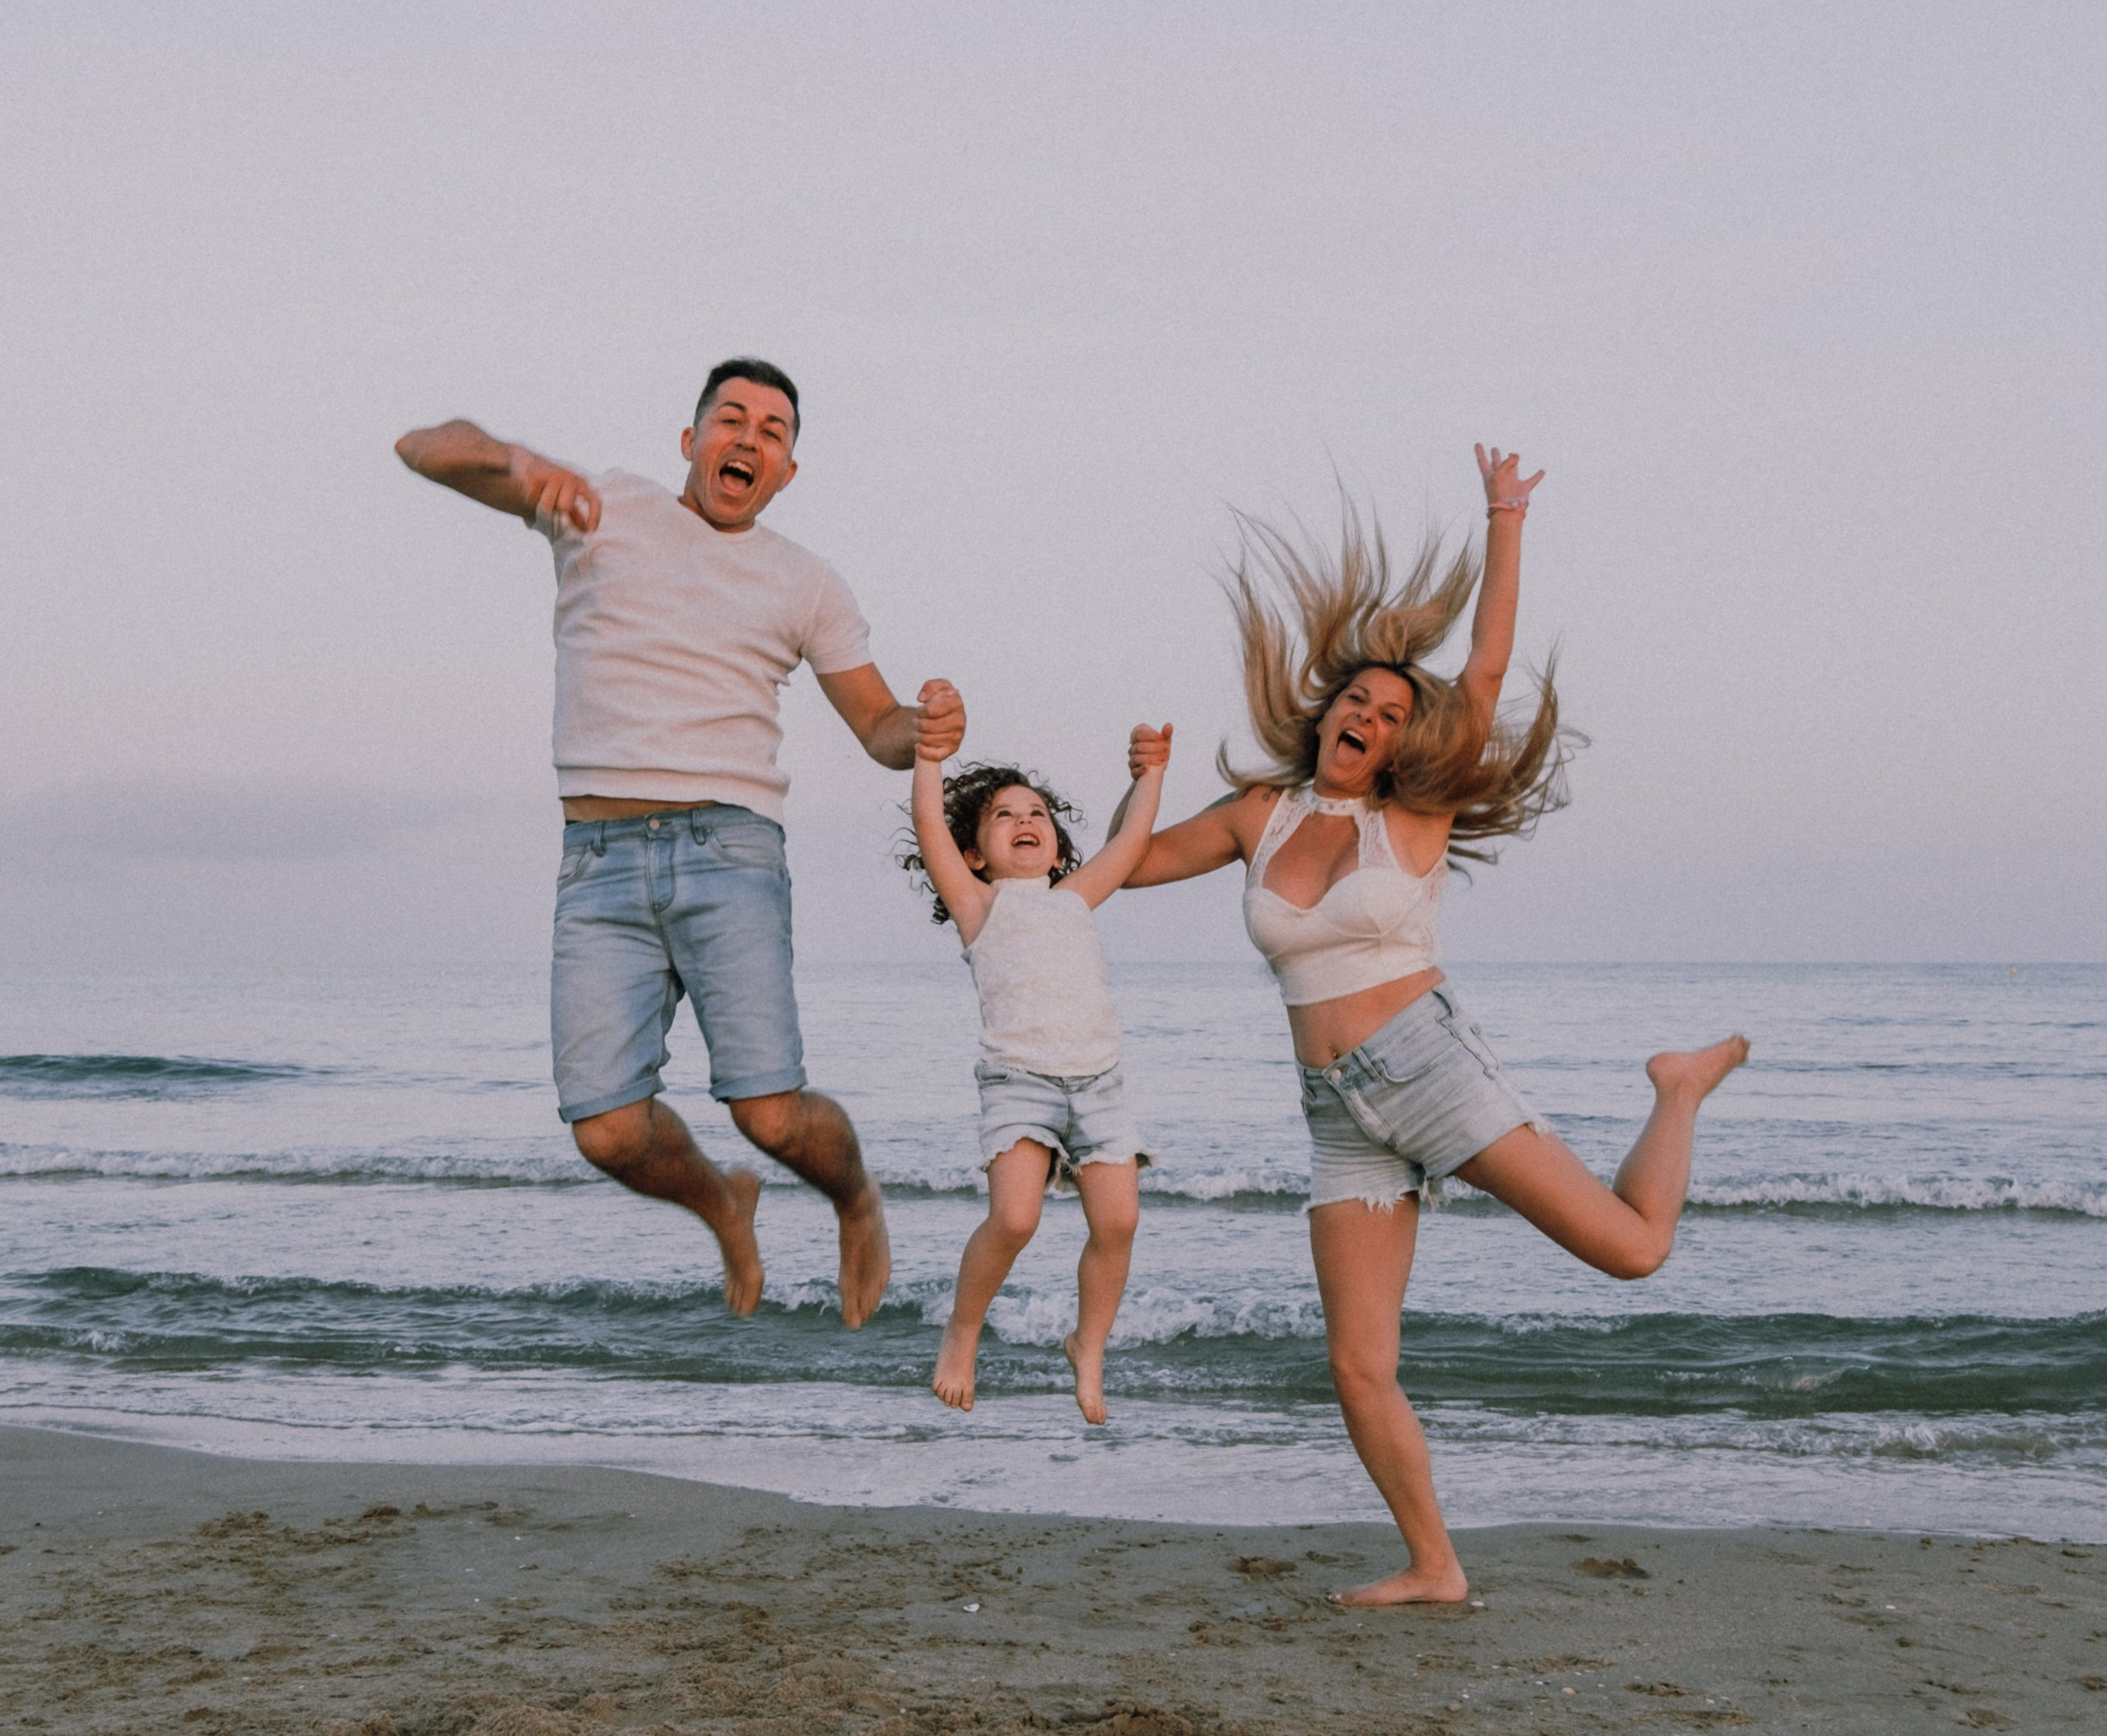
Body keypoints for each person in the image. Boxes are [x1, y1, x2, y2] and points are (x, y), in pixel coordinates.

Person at [1115, 449, 1749, 1605]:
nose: (1367, 715)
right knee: (1358, 1365)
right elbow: (1128, 865)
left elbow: (1486, 667)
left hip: (1427, 1069)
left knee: (1633, 1252)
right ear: (1326, 715)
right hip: (1336, 1112)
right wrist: (1137, 783)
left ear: (1407, 741)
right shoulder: (1258, 816)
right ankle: (1435, 1565)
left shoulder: (1415, 812)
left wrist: (1504, 517)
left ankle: (1677, 1088)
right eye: (1356, 701)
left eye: (1391, 712)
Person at [395, 359, 961, 1327]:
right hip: (597, 861)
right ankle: (722, 1205)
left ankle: (854, 1198)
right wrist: (517, 461)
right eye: (731, 419)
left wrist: (928, 727)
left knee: (772, 1116)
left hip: (729, 851)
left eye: (773, 431)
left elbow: (878, 728)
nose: (749, 439)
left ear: (787, 471)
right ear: (691, 441)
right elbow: (423, 448)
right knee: (607, 1133)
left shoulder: (805, 579)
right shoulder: (604, 505)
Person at [905, 725, 1172, 1422]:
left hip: (1100, 1083)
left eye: (1037, 814)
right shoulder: (979, 903)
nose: (1025, 821)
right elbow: (929, 826)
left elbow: (1131, 842)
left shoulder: (1076, 896)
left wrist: (1150, 774)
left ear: (1056, 847)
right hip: (1020, 1083)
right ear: (975, 854)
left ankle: (1089, 1345)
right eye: (1004, 815)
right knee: (1015, 1218)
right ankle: (963, 1331)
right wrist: (928, 759)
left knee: (1119, 1221)